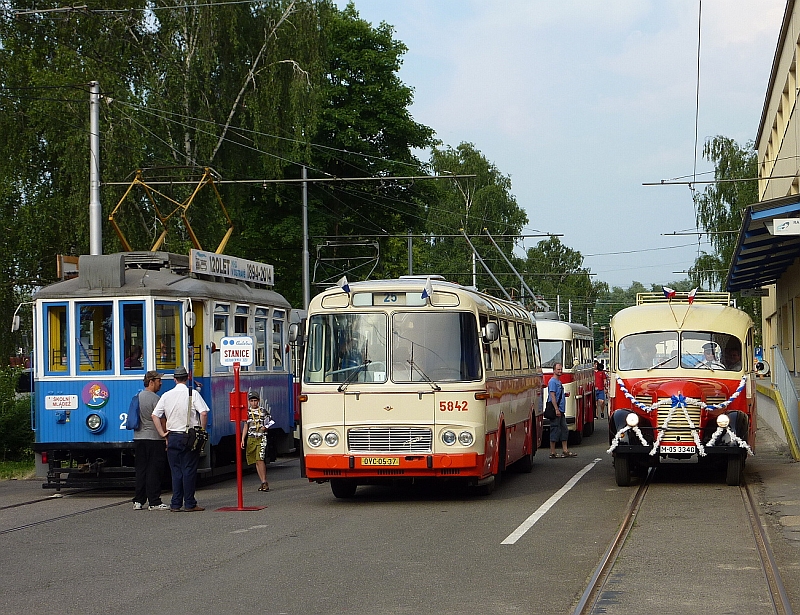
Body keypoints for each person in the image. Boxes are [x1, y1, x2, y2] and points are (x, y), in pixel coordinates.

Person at [152, 366, 209, 512]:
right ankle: (189, 503)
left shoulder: (166, 395)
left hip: (173, 436)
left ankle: (175, 503)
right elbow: (203, 413)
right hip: (189, 435)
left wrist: (162, 433)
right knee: (189, 469)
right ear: (188, 377)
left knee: (175, 470)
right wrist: (201, 430)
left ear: (174, 379)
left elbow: (155, 415)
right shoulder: (193, 393)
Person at [132, 371, 168, 510]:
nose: (161, 383)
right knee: (154, 470)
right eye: (159, 380)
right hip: (154, 438)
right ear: (151, 382)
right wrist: (165, 436)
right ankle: (154, 501)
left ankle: (138, 501)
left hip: (139, 438)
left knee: (141, 469)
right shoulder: (155, 399)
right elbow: (161, 419)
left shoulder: (137, 397)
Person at [241, 391, 274, 492]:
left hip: (261, 437)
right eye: (252, 401)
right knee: (255, 460)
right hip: (251, 438)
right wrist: (242, 439)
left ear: (258, 401)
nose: (254, 403)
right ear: (249, 402)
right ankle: (262, 481)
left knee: (260, 459)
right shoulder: (247, 413)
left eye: (255, 401)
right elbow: (246, 426)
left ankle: (264, 481)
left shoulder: (263, 411)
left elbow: (271, 421)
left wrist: (266, 427)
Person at [548, 363, 577, 458]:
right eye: (558, 369)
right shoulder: (552, 382)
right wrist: (556, 409)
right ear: (554, 370)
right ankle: (552, 452)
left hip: (561, 410)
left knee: (564, 429)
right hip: (556, 410)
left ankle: (565, 450)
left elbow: (557, 395)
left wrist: (564, 396)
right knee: (555, 429)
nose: (560, 371)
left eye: (561, 369)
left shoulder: (558, 382)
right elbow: (552, 396)